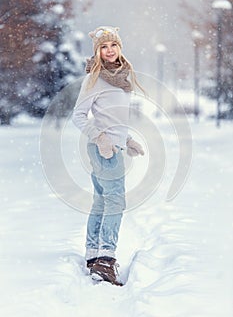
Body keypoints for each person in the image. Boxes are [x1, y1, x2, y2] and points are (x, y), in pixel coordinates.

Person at [72, 26, 144, 286]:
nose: (109, 50)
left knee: (102, 201)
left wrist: (126, 140)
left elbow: (112, 119)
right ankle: (105, 259)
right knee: (115, 203)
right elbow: (78, 116)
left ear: (120, 48)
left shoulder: (120, 78)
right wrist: (101, 139)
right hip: (104, 149)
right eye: (104, 47)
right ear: (98, 51)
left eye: (113, 45)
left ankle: (93, 255)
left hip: (114, 147)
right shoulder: (95, 79)